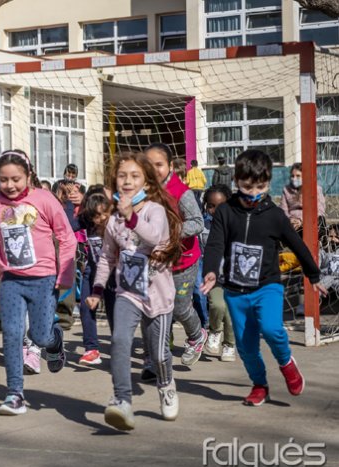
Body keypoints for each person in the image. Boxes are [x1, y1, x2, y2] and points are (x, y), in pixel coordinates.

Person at [201, 150, 327, 407]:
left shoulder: (274, 215)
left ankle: (287, 363)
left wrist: (313, 274)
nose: (254, 192)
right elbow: (215, 243)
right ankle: (259, 384)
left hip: (267, 287)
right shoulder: (225, 212)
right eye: (248, 186)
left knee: (271, 329)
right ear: (237, 181)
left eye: (261, 186)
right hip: (235, 291)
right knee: (246, 348)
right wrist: (211, 271)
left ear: (269, 182)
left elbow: (297, 245)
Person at [86, 152, 184, 431]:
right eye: (121, 176)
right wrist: (96, 288)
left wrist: (131, 216)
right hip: (127, 292)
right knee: (119, 340)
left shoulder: (155, 211)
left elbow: (153, 237)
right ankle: (122, 400)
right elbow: (107, 257)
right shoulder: (114, 220)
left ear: (148, 183)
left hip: (158, 295)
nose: (127, 181)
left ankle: (166, 385)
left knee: (159, 354)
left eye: (134, 176)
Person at [0, 151, 77, 415]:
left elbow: (67, 238)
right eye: (4, 179)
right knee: (11, 335)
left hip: (44, 280)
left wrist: (65, 275)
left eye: (16, 179)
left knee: (40, 336)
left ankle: (55, 343)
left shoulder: (44, 199)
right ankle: (14, 394)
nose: (9, 185)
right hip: (11, 280)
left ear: (28, 176)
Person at [145, 144, 207, 371]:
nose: (154, 169)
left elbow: (198, 223)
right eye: (149, 165)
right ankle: (160, 348)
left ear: (170, 166)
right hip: (158, 261)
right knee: (158, 306)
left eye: (159, 165)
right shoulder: (144, 190)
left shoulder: (182, 192)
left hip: (184, 261)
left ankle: (196, 336)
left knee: (180, 307)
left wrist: (171, 231)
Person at [76, 187, 115, 365]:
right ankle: (91, 349)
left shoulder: (116, 221)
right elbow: (68, 225)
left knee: (114, 312)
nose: (99, 220)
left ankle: (119, 346)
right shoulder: (88, 219)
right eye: (95, 216)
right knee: (86, 306)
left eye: (102, 214)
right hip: (92, 271)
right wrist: (71, 204)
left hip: (114, 274)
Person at [200, 184, 236, 363]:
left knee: (230, 313)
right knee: (217, 306)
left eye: (220, 206)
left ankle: (229, 344)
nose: (214, 210)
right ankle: (215, 330)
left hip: (233, 278)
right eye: (211, 206)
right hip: (212, 277)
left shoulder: (235, 225)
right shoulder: (203, 226)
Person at [279, 162, 326, 238]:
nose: (294, 179)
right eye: (292, 176)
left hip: (310, 221)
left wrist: (302, 221)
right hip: (292, 222)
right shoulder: (286, 190)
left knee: (321, 220)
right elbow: (283, 210)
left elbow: (320, 210)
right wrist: (291, 220)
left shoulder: (315, 189)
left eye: (298, 176)